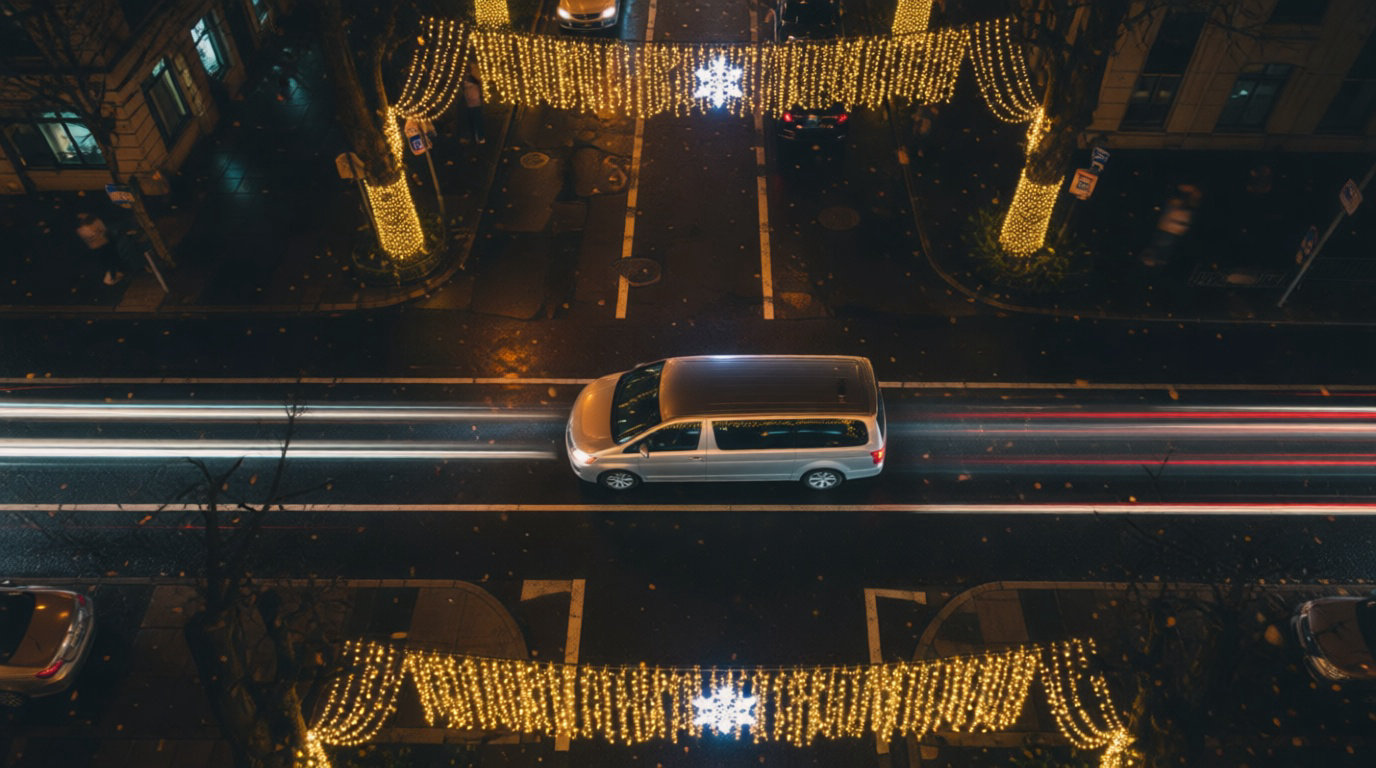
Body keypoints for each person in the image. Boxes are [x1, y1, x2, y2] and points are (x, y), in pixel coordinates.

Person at [76, 212, 124, 286]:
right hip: (98, 246)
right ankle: (113, 277)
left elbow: (103, 230)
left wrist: (96, 236)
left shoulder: (94, 222)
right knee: (108, 262)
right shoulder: (81, 229)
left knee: (110, 261)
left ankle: (114, 276)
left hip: (102, 244)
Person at [462, 65, 486, 145]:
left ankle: (480, 137)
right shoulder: (465, 80)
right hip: (469, 103)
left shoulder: (473, 79)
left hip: (475, 103)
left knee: (477, 120)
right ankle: (474, 138)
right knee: (471, 121)